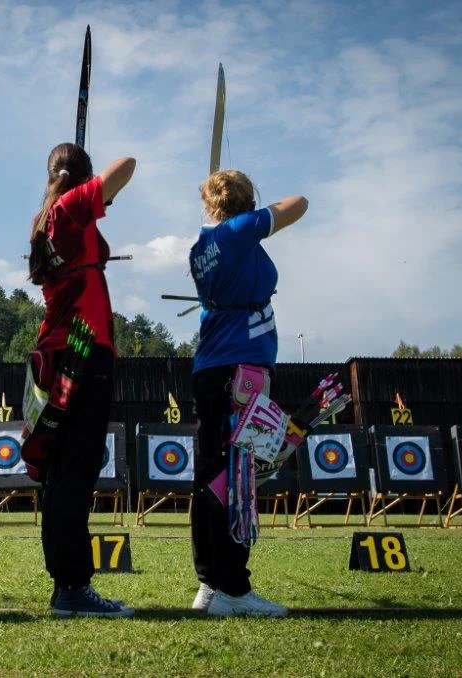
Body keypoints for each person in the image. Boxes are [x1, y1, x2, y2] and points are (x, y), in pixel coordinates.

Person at [187, 169, 307, 617]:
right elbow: (299, 203)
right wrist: (253, 215)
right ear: (244, 203)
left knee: (212, 479)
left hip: (215, 370)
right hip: (239, 373)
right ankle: (232, 589)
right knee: (237, 480)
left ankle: (210, 584)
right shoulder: (238, 231)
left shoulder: (202, 246)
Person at [26, 142, 135, 617]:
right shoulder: (69, 208)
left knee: (62, 472)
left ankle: (66, 584)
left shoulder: (46, 218)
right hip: (83, 350)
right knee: (75, 472)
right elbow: (127, 165)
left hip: (63, 350)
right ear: (82, 179)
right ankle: (72, 586)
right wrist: (91, 187)